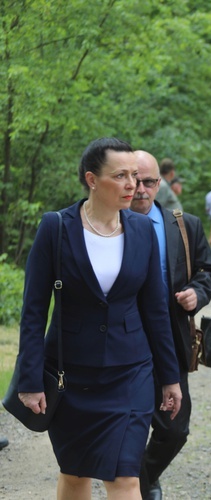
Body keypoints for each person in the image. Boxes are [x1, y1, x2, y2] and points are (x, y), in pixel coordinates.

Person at [16, 137, 182, 499]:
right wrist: (29, 380)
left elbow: (156, 311)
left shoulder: (141, 231)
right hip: (70, 373)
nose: (132, 186)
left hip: (130, 372)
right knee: (75, 474)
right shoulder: (55, 227)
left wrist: (170, 377)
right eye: (120, 175)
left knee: (124, 478)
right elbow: (32, 312)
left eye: (135, 176)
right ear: (92, 179)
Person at [131, 151, 211, 500]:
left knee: (175, 428)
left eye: (148, 182)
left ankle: (144, 474)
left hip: (171, 336)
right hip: (125, 337)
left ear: (159, 183)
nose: (140, 189)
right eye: (134, 180)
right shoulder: (106, 225)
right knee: (129, 424)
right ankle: (134, 485)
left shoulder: (185, 224)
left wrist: (197, 294)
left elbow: (205, 272)